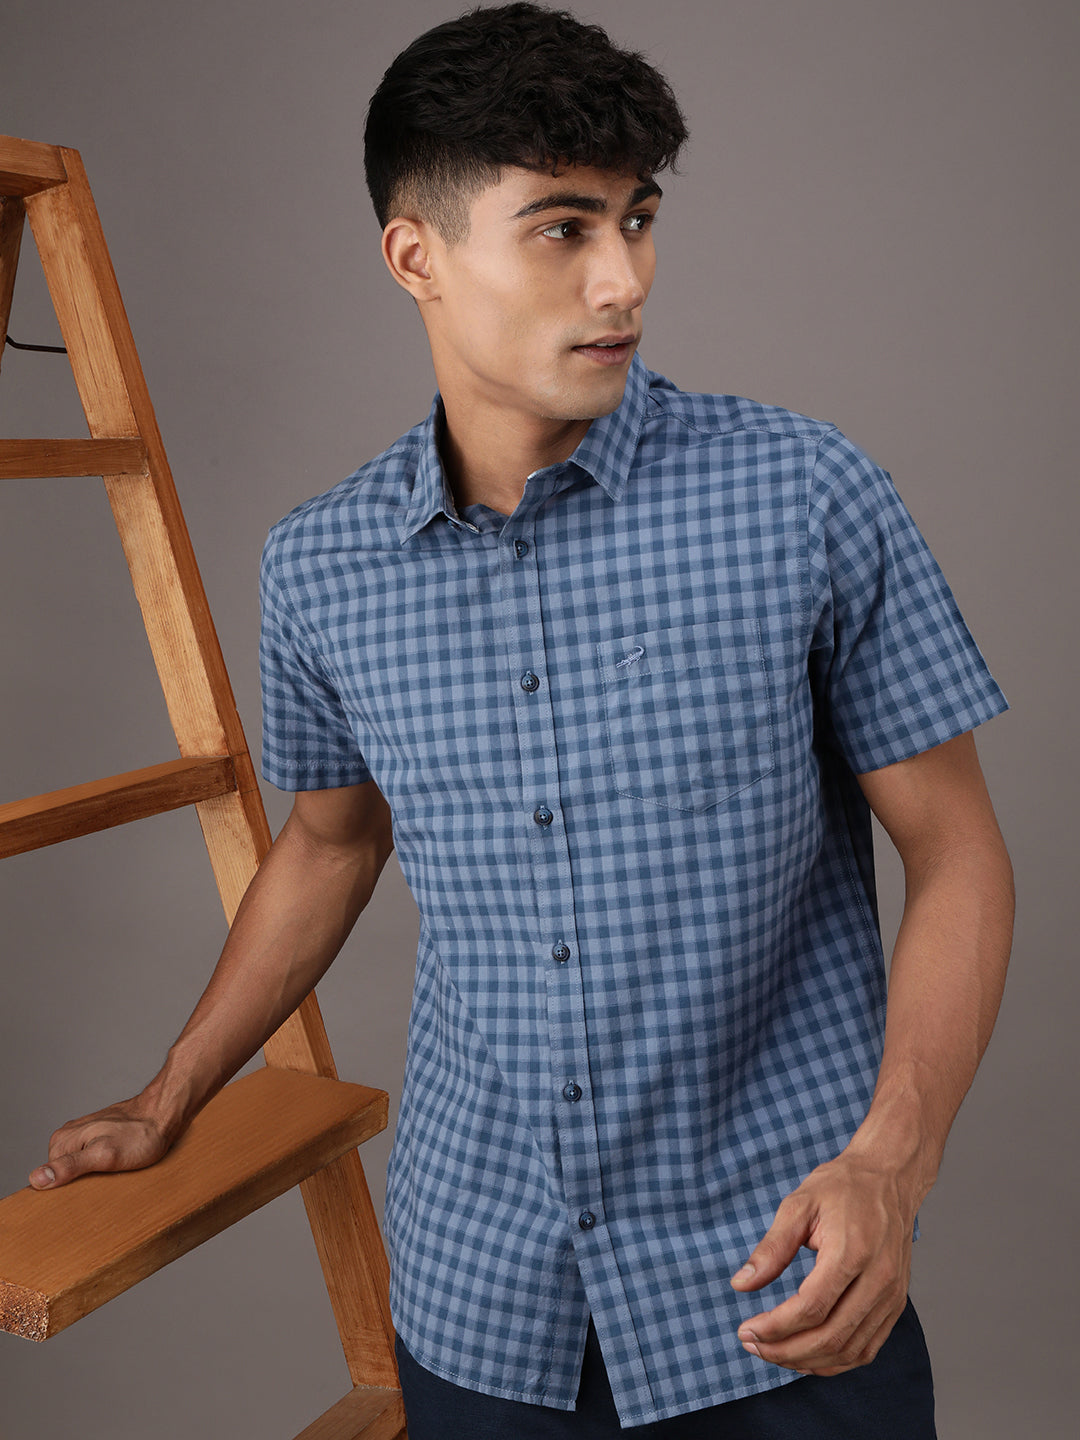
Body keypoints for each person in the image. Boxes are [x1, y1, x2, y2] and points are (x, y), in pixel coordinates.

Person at [30, 5, 1013, 1436]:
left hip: (779, 1280)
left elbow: (959, 850)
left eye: (638, 220)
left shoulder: (803, 494)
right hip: (482, 1298)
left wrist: (891, 1164)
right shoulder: (321, 564)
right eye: (563, 229)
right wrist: (171, 1092)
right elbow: (329, 845)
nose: (623, 280)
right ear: (415, 256)